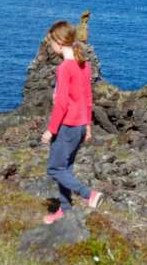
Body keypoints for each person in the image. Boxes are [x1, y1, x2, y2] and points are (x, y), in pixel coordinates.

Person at [40, 20, 102, 224]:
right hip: (79, 125)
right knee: (65, 168)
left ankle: (88, 195)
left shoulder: (65, 68)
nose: (49, 47)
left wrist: (51, 130)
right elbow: (88, 98)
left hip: (66, 126)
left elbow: (62, 104)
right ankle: (65, 209)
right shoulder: (83, 65)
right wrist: (88, 126)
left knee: (55, 169)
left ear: (58, 42)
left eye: (50, 42)